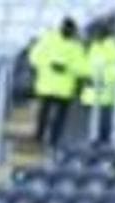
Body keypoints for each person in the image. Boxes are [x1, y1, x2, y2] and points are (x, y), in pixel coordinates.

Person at [28, 17, 86, 151]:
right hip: (49, 87)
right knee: (45, 114)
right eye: (68, 30)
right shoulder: (49, 39)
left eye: (71, 31)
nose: (69, 33)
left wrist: (66, 68)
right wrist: (51, 64)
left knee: (56, 116)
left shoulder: (76, 46)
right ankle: (40, 138)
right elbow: (34, 58)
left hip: (62, 89)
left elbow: (83, 68)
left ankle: (51, 141)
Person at [80, 20, 115, 146]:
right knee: (94, 115)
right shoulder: (95, 46)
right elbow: (89, 63)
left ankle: (103, 140)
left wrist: (101, 79)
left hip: (105, 85)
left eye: (97, 32)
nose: (94, 35)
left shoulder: (111, 46)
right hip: (92, 86)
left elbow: (109, 64)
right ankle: (96, 138)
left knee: (104, 115)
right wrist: (87, 77)